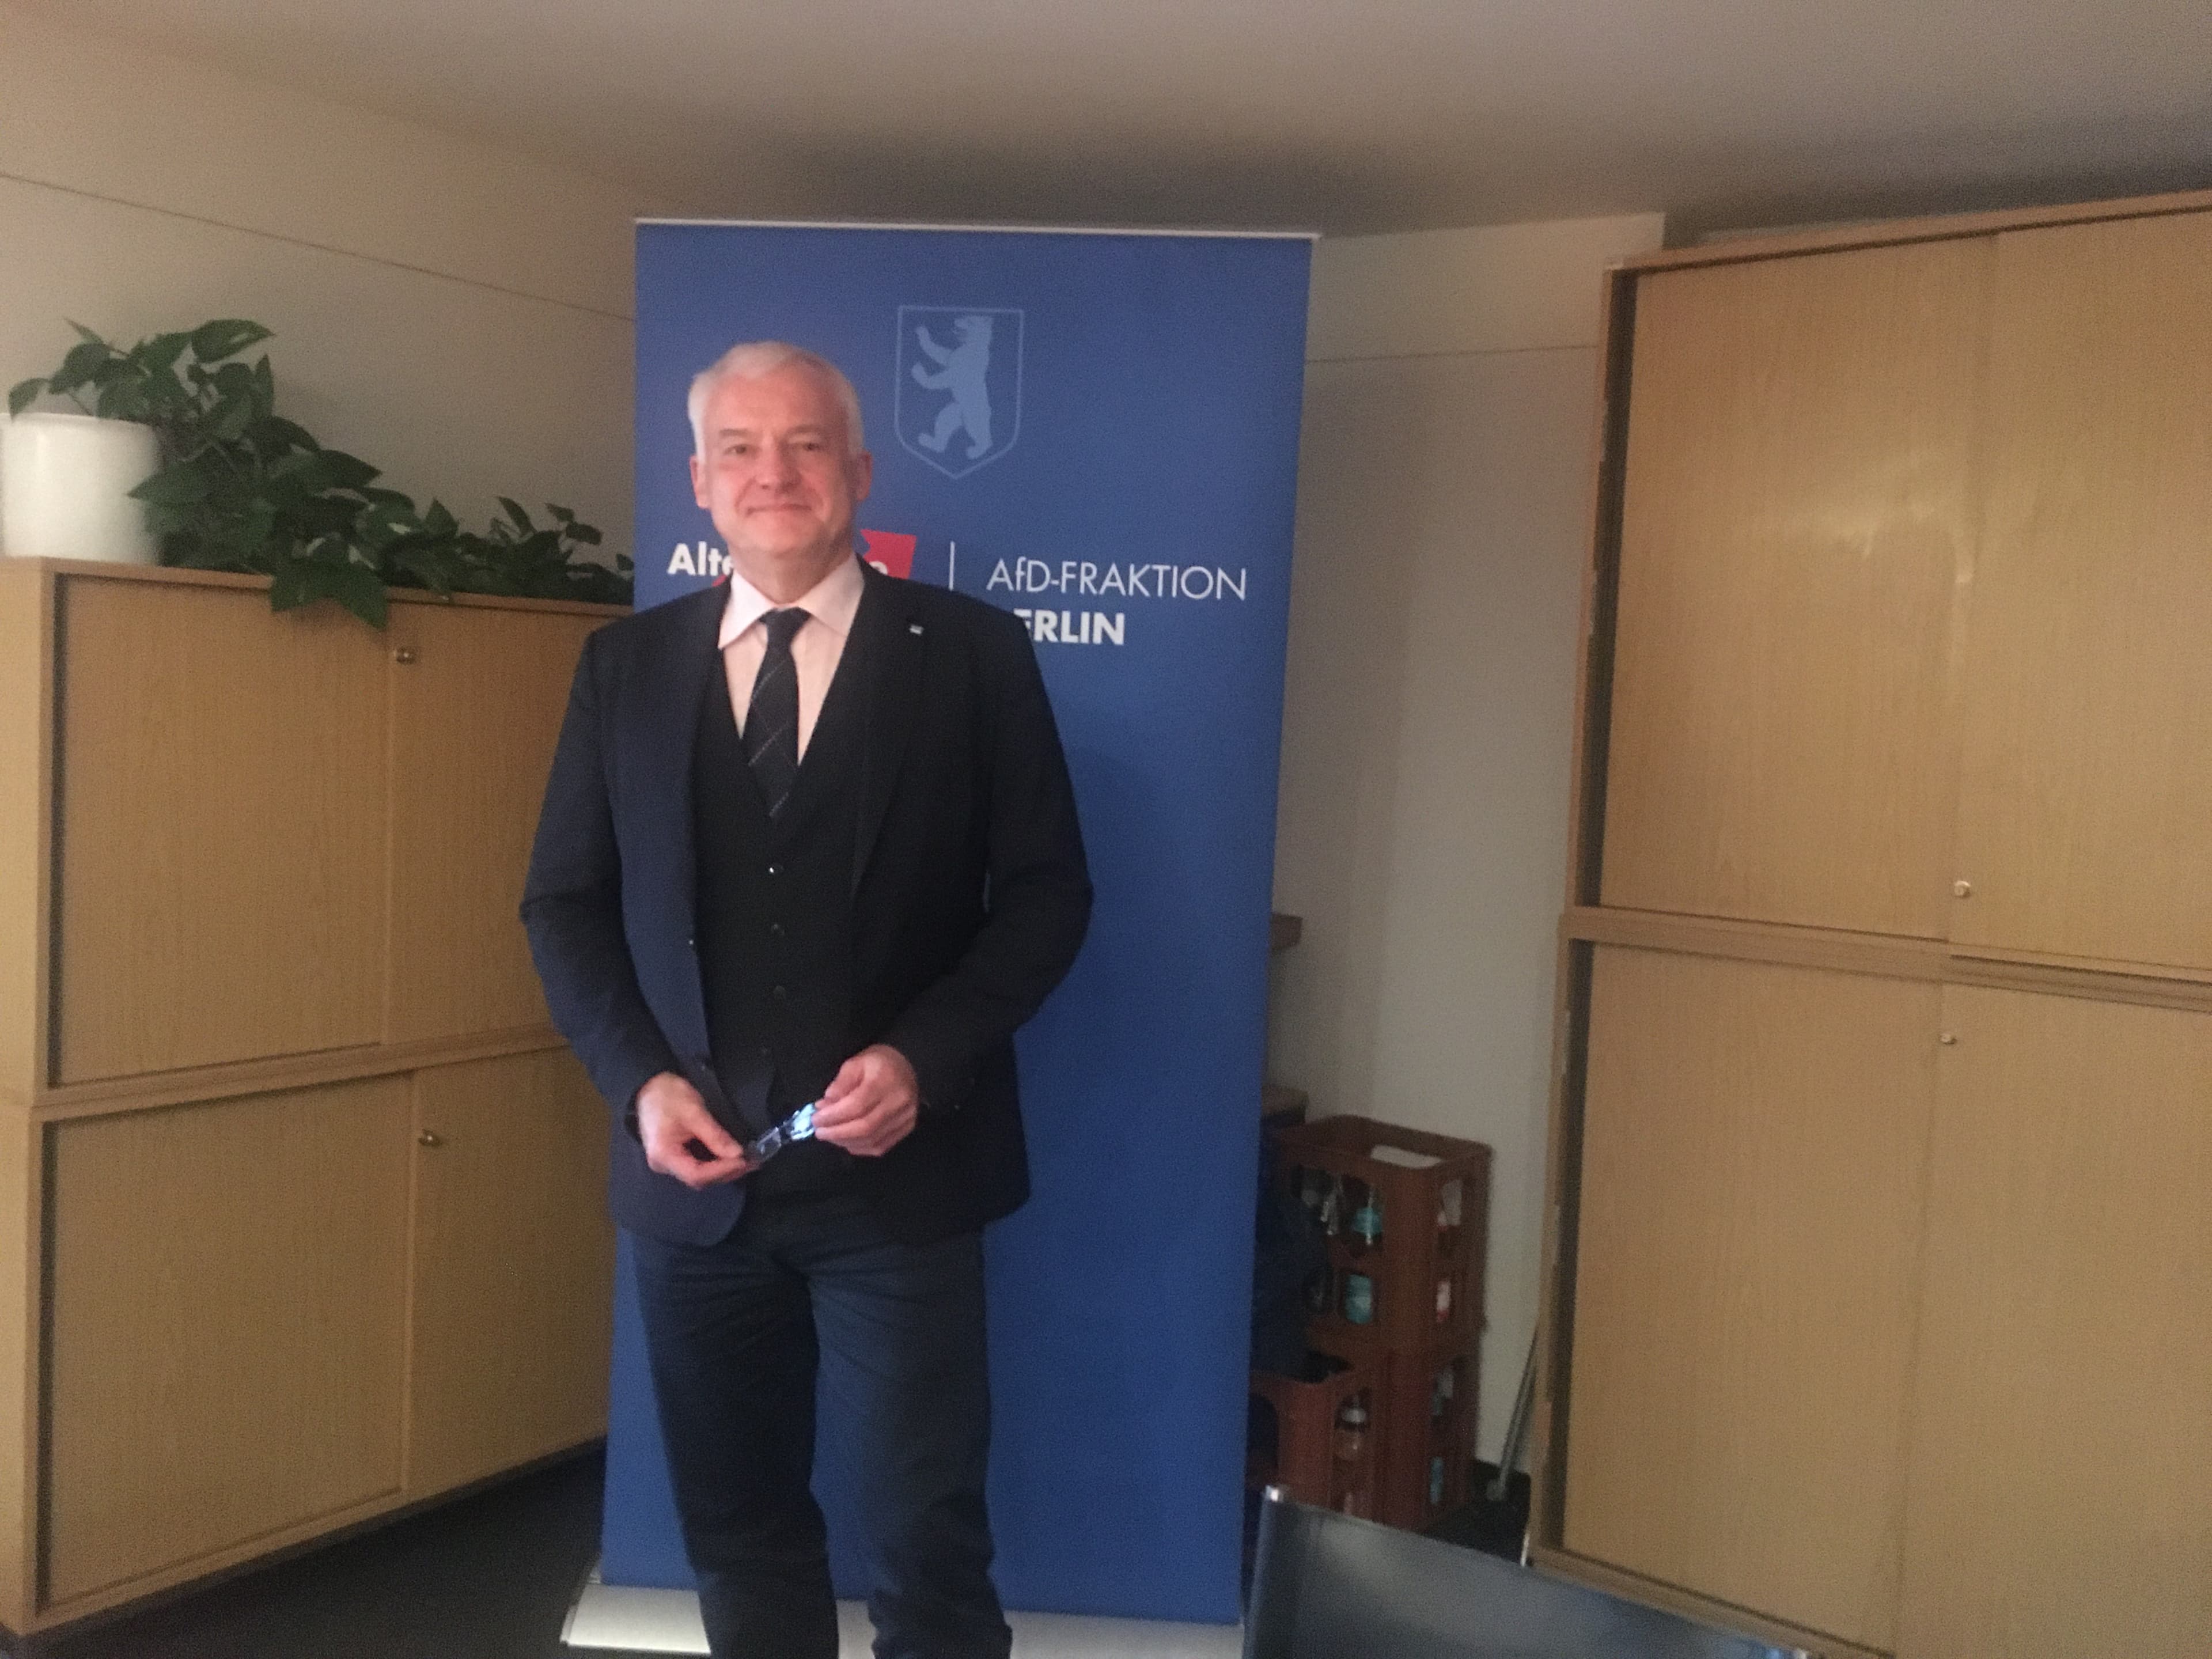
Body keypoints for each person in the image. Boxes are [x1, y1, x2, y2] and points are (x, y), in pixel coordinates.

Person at [521, 340, 1092, 1659]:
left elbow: (1050, 894)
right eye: (740, 449)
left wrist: (925, 1057)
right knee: (741, 1526)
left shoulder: (973, 654)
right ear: (699, 483)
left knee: (925, 1532)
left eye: (805, 445)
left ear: (859, 471)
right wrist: (639, 1084)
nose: (772, 474)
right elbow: (563, 903)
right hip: (694, 1190)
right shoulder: (624, 668)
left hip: (900, 1185)